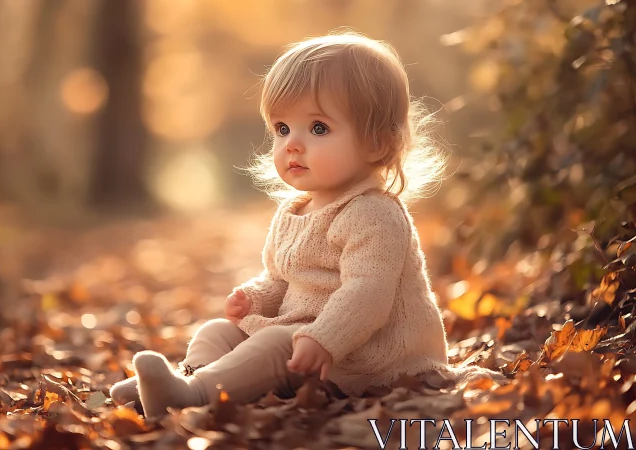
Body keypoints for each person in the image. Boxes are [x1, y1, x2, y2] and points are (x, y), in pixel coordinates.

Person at [108, 31, 505, 419]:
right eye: (282, 129)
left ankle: (193, 395)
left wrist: (325, 338)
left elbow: (367, 295)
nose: (292, 144)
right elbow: (280, 279)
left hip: (371, 356)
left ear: (378, 144)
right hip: (308, 339)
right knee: (218, 332)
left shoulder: (374, 213)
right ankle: (184, 381)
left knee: (274, 345)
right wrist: (255, 298)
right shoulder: (295, 212)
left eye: (318, 128)